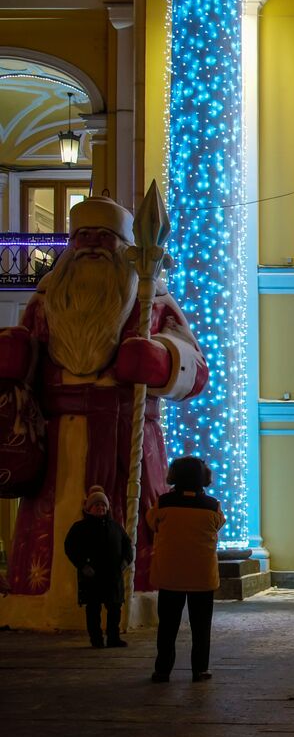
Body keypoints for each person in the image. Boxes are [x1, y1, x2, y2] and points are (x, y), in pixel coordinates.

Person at [0, 196, 207, 632]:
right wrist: (19, 354)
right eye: (82, 237)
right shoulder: (49, 299)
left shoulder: (151, 299)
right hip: (56, 438)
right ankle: (39, 601)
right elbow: (28, 355)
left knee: (125, 529)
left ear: (123, 245)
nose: (92, 246)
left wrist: (162, 360)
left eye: (104, 237)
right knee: (51, 527)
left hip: (124, 433)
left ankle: (129, 604)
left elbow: (197, 368)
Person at [148, 456, 224, 683]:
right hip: (202, 576)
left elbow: (152, 522)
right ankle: (200, 669)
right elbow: (219, 523)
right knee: (201, 627)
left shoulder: (164, 503)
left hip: (170, 574)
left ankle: (162, 670)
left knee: (167, 626)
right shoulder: (212, 505)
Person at [63, 485, 133, 649]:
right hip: (92, 575)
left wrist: (125, 561)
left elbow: (127, 545)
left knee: (114, 608)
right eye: (96, 505)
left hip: (113, 574)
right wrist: (82, 565)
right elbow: (70, 547)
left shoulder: (115, 527)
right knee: (93, 609)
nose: (100, 508)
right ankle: (96, 639)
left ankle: (113, 637)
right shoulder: (79, 528)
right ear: (89, 508)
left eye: (103, 505)